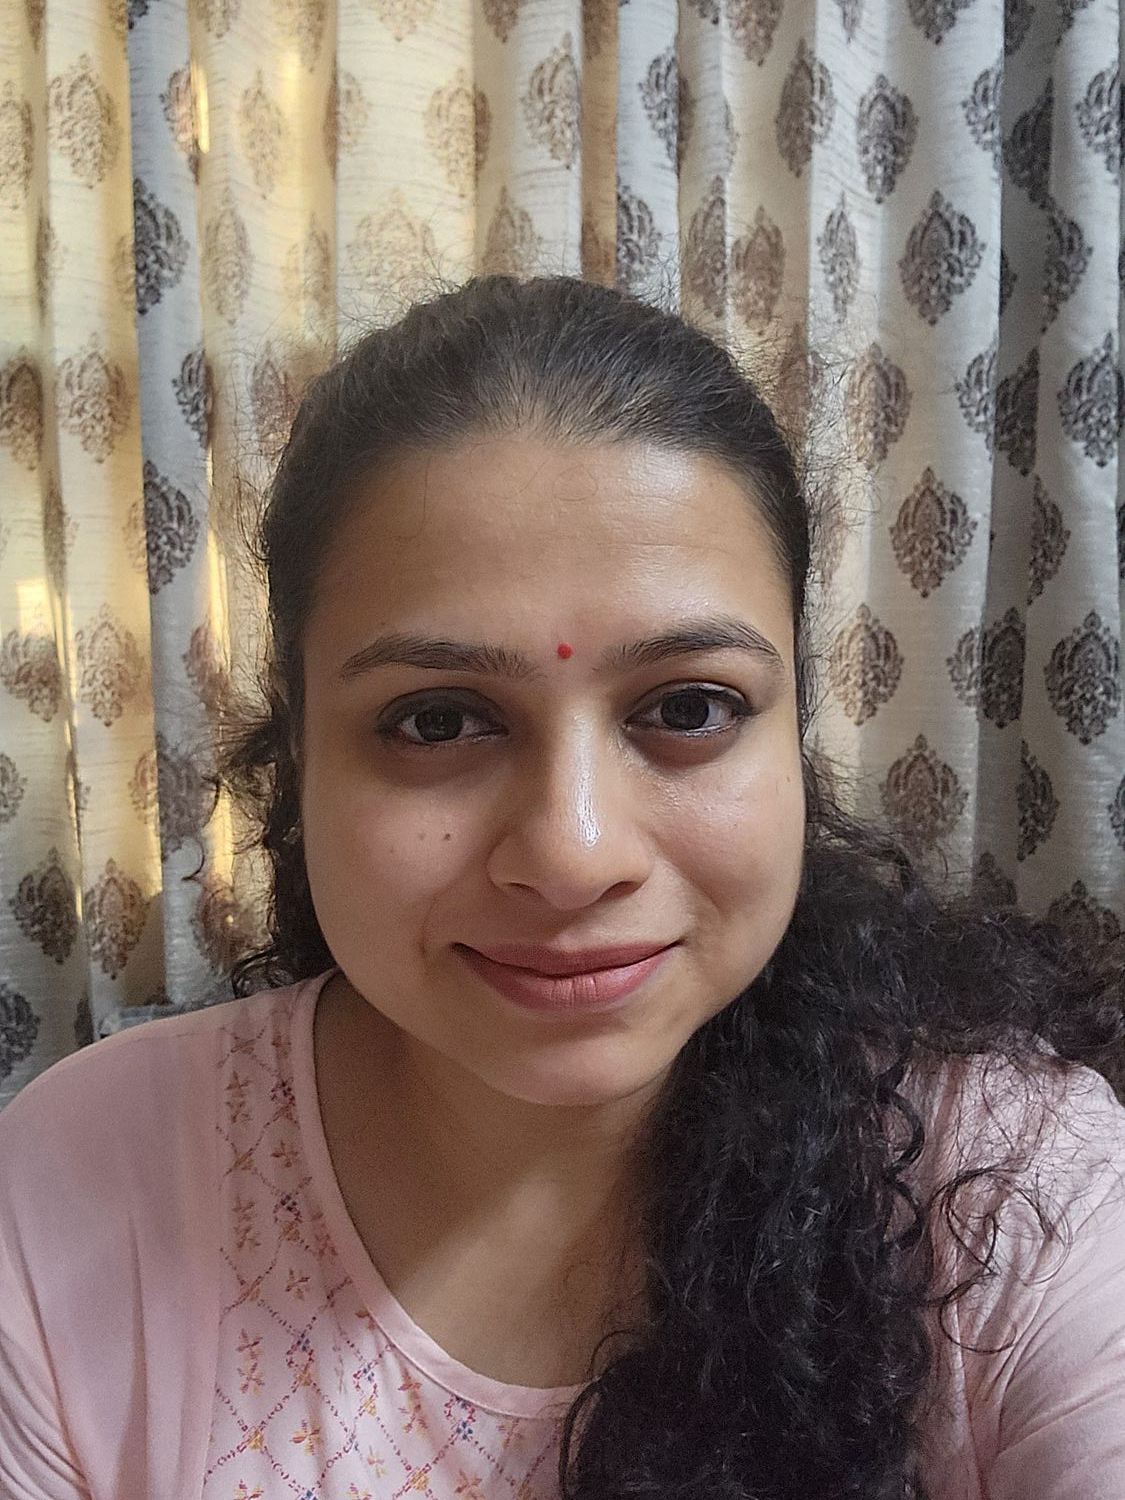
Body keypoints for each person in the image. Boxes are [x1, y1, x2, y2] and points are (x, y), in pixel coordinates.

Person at [1, 275, 1124, 1500]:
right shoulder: (81, 1186)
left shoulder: (1016, 1191)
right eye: (438, 721)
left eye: (687, 709)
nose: (574, 853)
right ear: (297, 752)